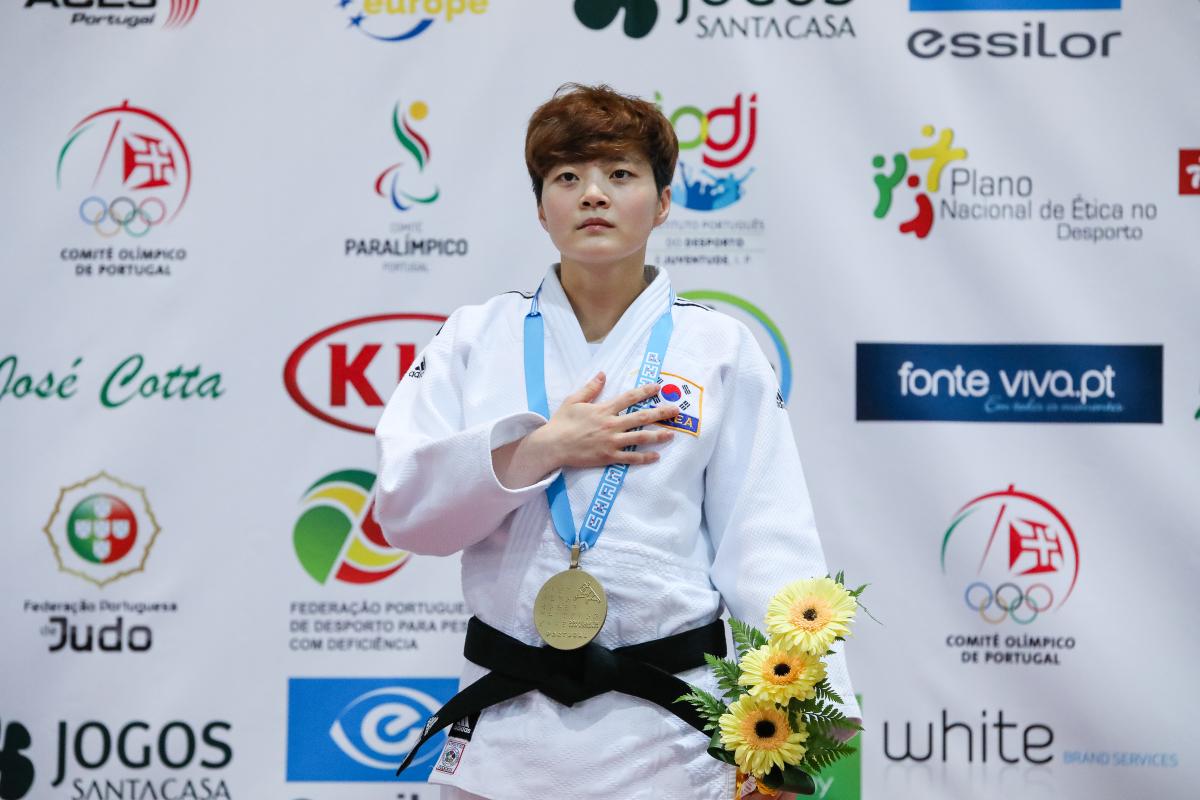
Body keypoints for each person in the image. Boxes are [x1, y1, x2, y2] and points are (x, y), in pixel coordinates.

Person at [374, 84, 859, 800]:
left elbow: (768, 542)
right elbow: (405, 510)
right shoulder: (474, 339)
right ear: (541, 208)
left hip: (672, 741)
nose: (592, 194)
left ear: (663, 203)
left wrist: (799, 734)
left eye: (621, 175)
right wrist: (540, 449)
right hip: (505, 738)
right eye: (567, 178)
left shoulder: (717, 348)